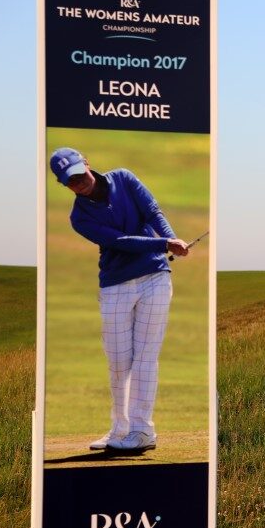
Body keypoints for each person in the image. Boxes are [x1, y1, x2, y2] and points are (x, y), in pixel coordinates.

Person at [50, 146, 189, 452]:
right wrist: (164, 242)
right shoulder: (79, 217)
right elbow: (119, 241)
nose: (78, 182)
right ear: (63, 185)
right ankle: (120, 429)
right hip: (115, 284)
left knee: (145, 357)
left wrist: (172, 238)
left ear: (87, 162)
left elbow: (153, 211)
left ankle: (142, 432)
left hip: (155, 277)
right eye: (70, 181)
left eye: (78, 173)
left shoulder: (124, 179)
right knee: (118, 362)